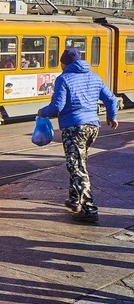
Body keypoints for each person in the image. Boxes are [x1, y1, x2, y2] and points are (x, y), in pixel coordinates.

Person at [38, 48, 118, 223]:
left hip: (74, 127)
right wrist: (111, 116)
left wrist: (41, 112)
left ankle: (90, 210)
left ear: (63, 63)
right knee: (77, 162)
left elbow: (56, 107)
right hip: (92, 127)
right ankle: (74, 200)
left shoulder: (64, 79)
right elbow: (111, 99)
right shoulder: (94, 77)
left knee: (77, 167)